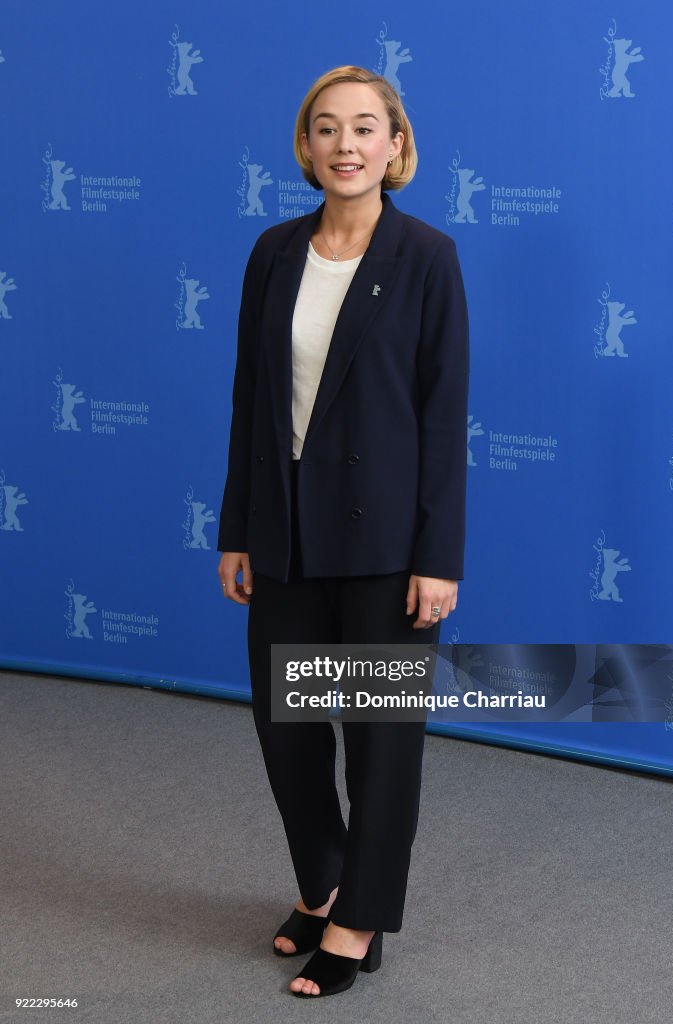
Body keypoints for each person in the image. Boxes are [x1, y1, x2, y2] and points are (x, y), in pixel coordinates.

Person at [217, 65, 469, 999]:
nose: (347, 144)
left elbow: (445, 419)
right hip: (283, 536)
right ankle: (322, 886)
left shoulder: (427, 257)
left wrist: (436, 557)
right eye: (327, 129)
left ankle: (359, 920)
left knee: (377, 742)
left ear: (396, 146)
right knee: (286, 728)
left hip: (384, 548)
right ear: (305, 148)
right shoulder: (274, 252)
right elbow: (251, 400)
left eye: (367, 127)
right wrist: (237, 528)